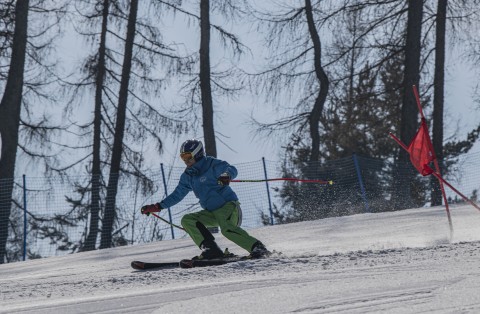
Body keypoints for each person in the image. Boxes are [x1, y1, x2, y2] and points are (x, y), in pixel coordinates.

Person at [140, 139, 270, 260]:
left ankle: (257, 248)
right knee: (188, 220)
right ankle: (211, 249)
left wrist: (226, 175)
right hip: (211, 213)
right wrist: (158, 206)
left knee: (227, 229)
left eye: (187, 156)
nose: (185, 160)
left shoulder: (211, 164)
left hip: (228, 206)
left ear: (197, 154)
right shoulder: (188, 176)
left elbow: (231, 169)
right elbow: (177, 195)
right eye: (183, 157)